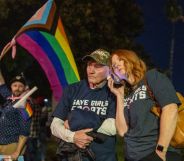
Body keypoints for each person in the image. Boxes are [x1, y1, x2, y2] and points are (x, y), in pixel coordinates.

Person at [107, 49, 182, 161]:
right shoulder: (127, 94)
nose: (116, 65)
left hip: (155, 154)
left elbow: (170, 108)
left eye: (120, 60)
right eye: (113, 65)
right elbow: (122, 131)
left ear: (131, 59)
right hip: (131, 157)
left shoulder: (151, 77)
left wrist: (160, 151)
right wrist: (119, 96)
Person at [50, 49, 117, 161]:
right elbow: (55, 126)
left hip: (104, 157)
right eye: (89, 65)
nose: (91, 70)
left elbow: (113, 127)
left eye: (98, 66)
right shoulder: (72, 89)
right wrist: (73, 137)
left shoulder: (114, 92)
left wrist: (75, 121)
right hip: (73, 156)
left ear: (109, 70)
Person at [0, 72, 31, 160]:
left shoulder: (25, 105)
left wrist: (17, 152)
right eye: (15, 85)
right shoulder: (9, 98)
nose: (17, 88)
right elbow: (1, 82)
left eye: (20, 86)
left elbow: (25, 132)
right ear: (11, 87)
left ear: (24, 88)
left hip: (12, 145)